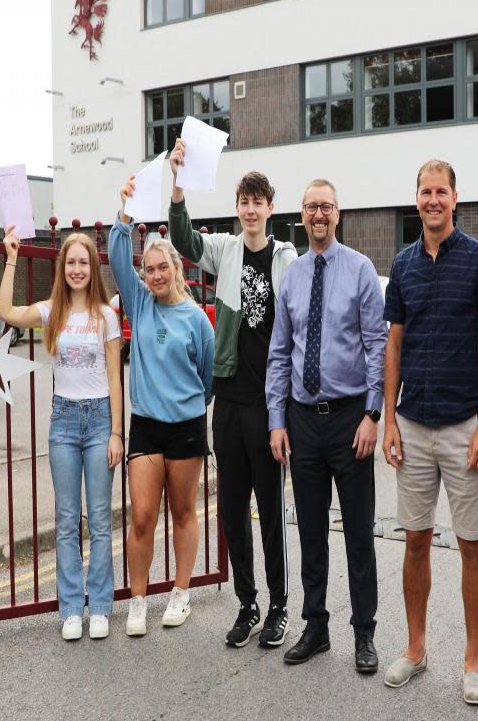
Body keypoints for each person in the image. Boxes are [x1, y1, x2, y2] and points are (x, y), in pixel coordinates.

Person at [381, 159, 478, 706]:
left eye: (441, 192)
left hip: (462, 427)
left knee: (471, 544)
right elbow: (393, 346)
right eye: (425, 191)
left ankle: (473, 661)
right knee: (413, 542)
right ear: (417, 200)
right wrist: (388, 418)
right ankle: (415, 648)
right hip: (412, 423)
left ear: (456, 199)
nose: (433, 200)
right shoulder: (403, 263)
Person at [166, 140, 297, 648]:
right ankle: (248, 603)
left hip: (269, 403)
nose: (249, 209)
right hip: (230, 398)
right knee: (232, 508)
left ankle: (281, 605)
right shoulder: (225, 249)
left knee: (269, 506)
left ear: (269, 208)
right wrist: (178, 182)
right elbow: (181, 238)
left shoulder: (287, 258)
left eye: (257, 201)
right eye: (243, 200)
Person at [265, 179, 387, 673]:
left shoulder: (359, 269)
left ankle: (364, 633)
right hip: (302, 422)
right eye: (311, 207)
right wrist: (277, 420)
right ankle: (315, 627)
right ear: (303, 214)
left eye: (326, 207)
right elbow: (279, 352)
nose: (319, 215)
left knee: (359, 534)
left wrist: (372, 414)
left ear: (339, 215)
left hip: (348, 419)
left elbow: (377, 345)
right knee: (311, 532)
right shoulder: (291, 277)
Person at [0, 227, 124, 641]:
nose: (77, 269)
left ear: (94, 267)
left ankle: (100, 604)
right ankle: (72, 606)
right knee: (68, 521)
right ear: (62, 267)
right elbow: (5, 312)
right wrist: (11, 257)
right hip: (64, 422)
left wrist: (117, 432)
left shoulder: (106, 316)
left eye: (84, 262)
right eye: (70, 262)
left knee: (101, 519)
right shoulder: (52, 311)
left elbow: (115, 378)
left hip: (100, 418)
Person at [112, 178, 215, 636]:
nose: (153, 275)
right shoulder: (139, 304)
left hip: (188, 426)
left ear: (175, 268)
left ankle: (180, 592)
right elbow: (117, 257)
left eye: (160, 268)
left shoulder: (196, 319)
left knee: (184, 512)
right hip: (147, 428)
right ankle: (138, 600)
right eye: (147, 269)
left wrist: (190, 403)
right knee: (141, 516)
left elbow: (208, 376)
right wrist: (125, 213)